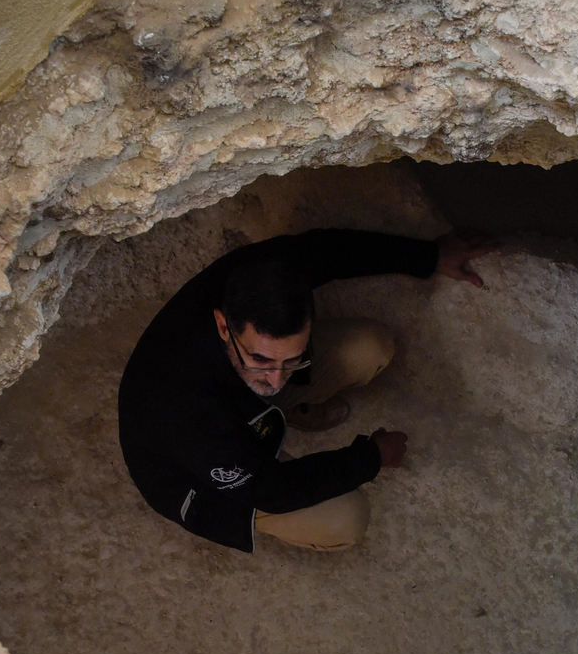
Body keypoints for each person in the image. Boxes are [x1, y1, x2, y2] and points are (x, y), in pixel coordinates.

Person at [118, 228, 492, 553]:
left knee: (370, 346)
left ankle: (287, 410)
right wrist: (371, 457)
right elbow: (273, 489)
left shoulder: (266, 274)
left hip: (230, 409)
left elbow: (327, 251)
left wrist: (430, 255)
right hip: (195, 469)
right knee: (348, 519)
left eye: (291, 359)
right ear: (222, 326)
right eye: (261, 359)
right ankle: (277, 436)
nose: (276, 381)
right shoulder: (183, 411)